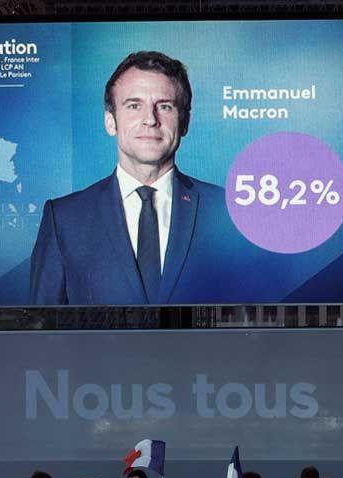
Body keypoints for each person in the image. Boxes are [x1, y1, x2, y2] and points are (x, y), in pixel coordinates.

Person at [30, 51, 230, 305]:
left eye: (165, 106)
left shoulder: (227, 212)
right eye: (134, 106)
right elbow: (43, 331)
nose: (150, 120)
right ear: (110, 121)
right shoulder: (64, 219)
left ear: (185, 122)